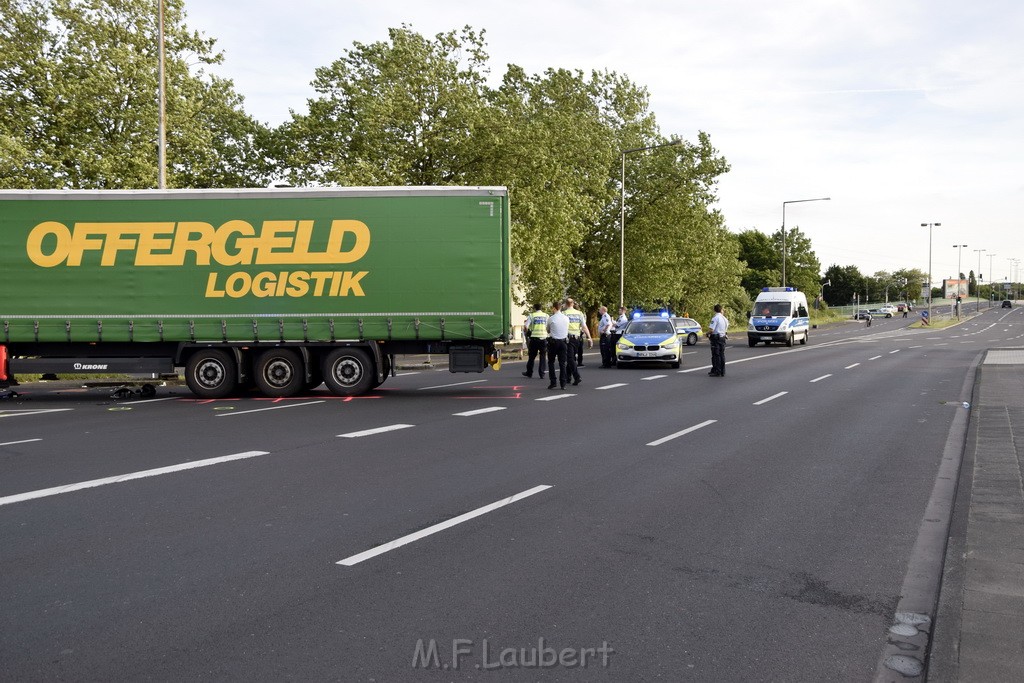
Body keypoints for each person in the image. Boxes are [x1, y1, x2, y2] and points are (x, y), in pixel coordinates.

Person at [563, 298, 591, 383]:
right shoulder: (579, 313)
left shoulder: (564, 313)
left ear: (566, 304)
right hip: (577, 339)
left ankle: (576, 376)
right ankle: (568, 377)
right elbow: (584, 326)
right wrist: (589, 337)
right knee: (571, 358)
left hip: (568, 338)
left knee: (570, 358)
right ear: (573, 304)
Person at [546, 301, 570, 389]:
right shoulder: (566, 318)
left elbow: (548, 330)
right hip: (563, 342)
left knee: (551, 362)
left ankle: (553, 382)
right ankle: (563, 384)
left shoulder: (551, 318)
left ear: (554, 308)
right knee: (562, 363)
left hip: (553, 342)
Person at [521, 303, 548, 379]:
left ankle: (529, 372)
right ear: (541, 308)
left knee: (532, 357)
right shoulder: (546, 316)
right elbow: (549, 326)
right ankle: (542, 374)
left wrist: (528, 332)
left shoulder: (532, 315)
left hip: (534, 339)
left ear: (534, 308)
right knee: (543, 356)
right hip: (543, 338)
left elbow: (525, 327)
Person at [708, 304, 729, 377]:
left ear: (714, 310)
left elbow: (711, 330)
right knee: (722, 354)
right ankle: (722, 371)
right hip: (722, 337)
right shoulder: (725, 319)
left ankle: (717, 371)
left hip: (716, 338)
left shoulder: (715, 318)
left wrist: (707, 333)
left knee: (716, 355)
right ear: (721, 310)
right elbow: (726, 330)